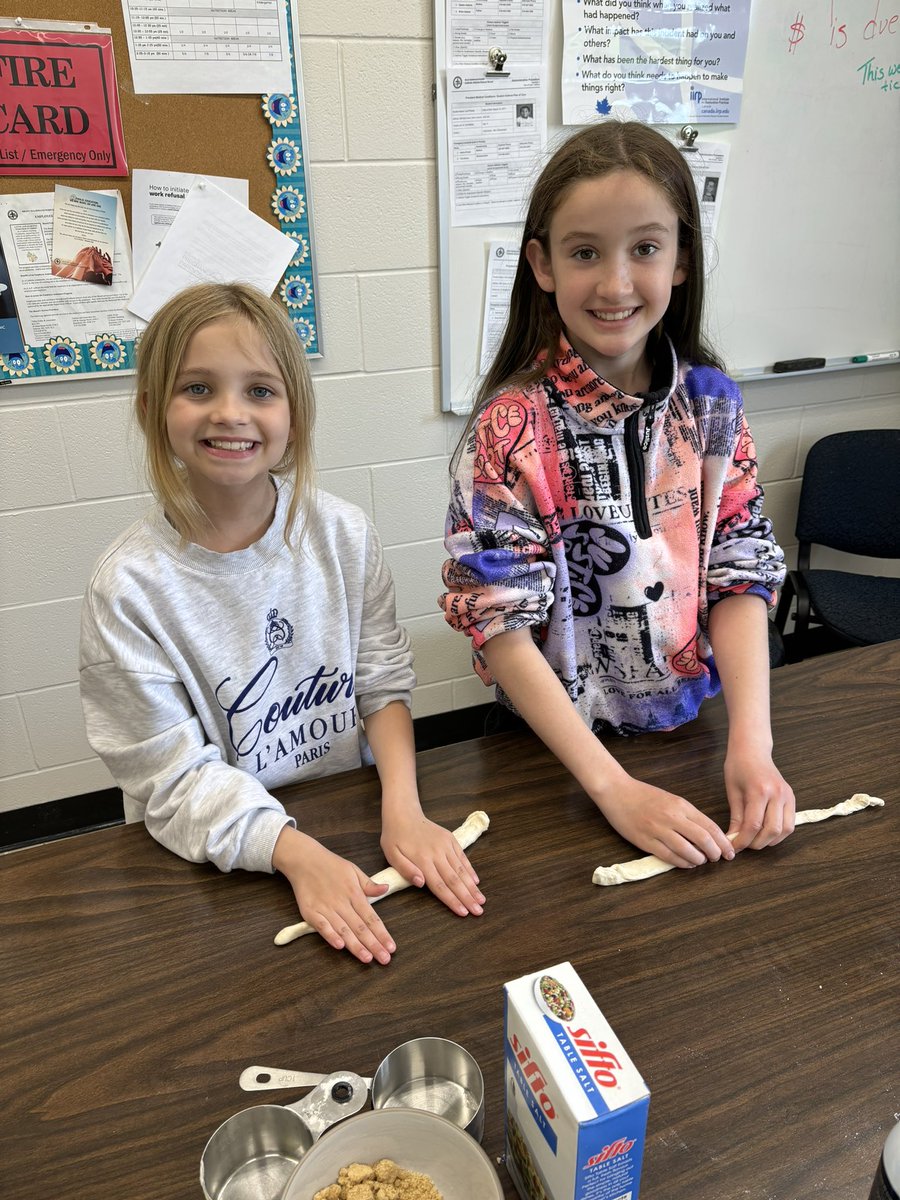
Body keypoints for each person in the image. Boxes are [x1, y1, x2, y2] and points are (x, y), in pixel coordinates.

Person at [80, 282, 484, 966]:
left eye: (261, 391)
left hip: (344, 806)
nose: (231, 413)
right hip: (214, 857)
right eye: (198, 388)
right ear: (152, 410)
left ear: (295, 413)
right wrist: (295, 855)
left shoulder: (343, 535)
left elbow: (381, 681)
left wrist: (404, 809)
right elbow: (172, 778)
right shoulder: (128, 589)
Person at [440, 121, 795, 871]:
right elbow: (498, 620)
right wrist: (611, 788)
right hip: (556, 750)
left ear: (683, 258)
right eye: (584, 252)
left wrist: (752, 745)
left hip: (690, 726)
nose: (615, 284)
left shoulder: (711, 407)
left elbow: (741, 567)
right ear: (541, 263)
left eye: (645, 248)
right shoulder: (512, 427)